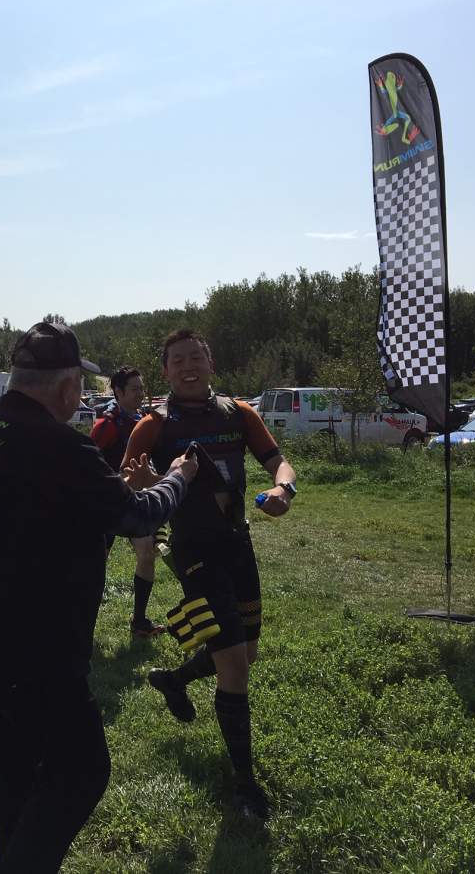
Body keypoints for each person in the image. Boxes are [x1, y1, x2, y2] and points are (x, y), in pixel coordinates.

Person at [0, 321, 198, 874]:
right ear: (68, 387)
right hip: (37, 652)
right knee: (81, 770)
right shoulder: (64, 447)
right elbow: (136, 515)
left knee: (10, 772)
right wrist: (181, 476)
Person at [121, 328, 296, 820]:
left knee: (248, 652)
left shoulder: (240, 414)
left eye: (196, 356)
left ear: (211, 361)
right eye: (178, 360)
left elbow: (277, 461)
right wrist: (147, 486)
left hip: (237, 543)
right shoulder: (153, 425)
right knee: (235, 665)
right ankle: (244, 784)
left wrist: (284, 491)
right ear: (166, 371)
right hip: (193, 550)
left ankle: (174, 679)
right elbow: (126, 487)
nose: (188, 365)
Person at [91, 365, 163, 637]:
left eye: (142, 389)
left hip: (134, 503)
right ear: (118, 392)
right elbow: (88, 463)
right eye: (134, 389)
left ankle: (139, 622)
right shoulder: (106, 426)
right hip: (107, 504)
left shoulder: (143, 422)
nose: (140, 394)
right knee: (96, 566)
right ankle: (79, 623)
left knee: (146, 554)